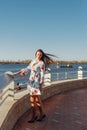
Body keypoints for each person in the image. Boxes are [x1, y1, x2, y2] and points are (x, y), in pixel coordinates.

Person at [13, 49, 56, 123]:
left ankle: (34, 116)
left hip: (37, 83)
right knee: (35, 99)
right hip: (31, 81)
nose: (39, 55)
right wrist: (18, 72)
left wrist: (41, 84)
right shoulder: (33, 61)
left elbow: (42, 74)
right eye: (38, 54)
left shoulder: (42, 63)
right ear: (35, 54)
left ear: (41, 56)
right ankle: (41, 114)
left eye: (40, 55)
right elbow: (27, 69)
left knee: (34, 99)